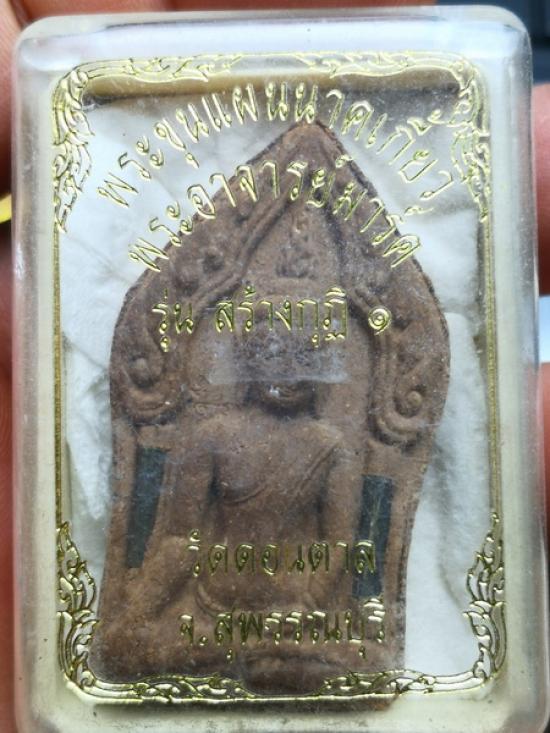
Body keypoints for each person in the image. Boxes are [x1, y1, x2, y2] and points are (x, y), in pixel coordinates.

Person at [0, 0, 549, 728]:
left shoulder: (330, 445)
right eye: (268, 351)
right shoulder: (211, 435)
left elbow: (345, 549)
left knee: (354, 654)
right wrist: (146, 611)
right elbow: (176, 540)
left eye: (303, 352)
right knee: (135, 644)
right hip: (205, 606)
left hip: (306, 614)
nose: (285, 369)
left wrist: (300, 614)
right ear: (243, 358)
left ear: (325, 361)